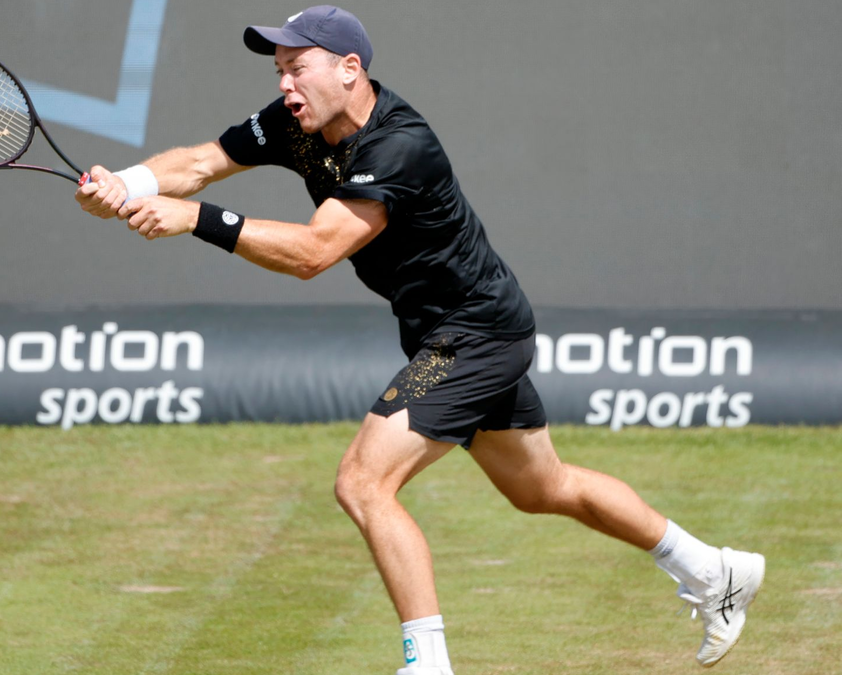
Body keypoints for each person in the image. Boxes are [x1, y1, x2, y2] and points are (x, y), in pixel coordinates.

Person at [74, 6, 764, 672]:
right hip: (453, 329)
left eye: (298, 67)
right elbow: (199, 161)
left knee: (363, 481)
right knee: (542, 486)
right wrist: (126, 182)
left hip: (475, 333)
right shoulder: (292, 122)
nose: (285, 84)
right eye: (279, 69)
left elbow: (317, 252)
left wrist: (194, 219)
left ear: (350, 69)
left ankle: (426, 662)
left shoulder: (399, 145)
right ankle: (713, 568)